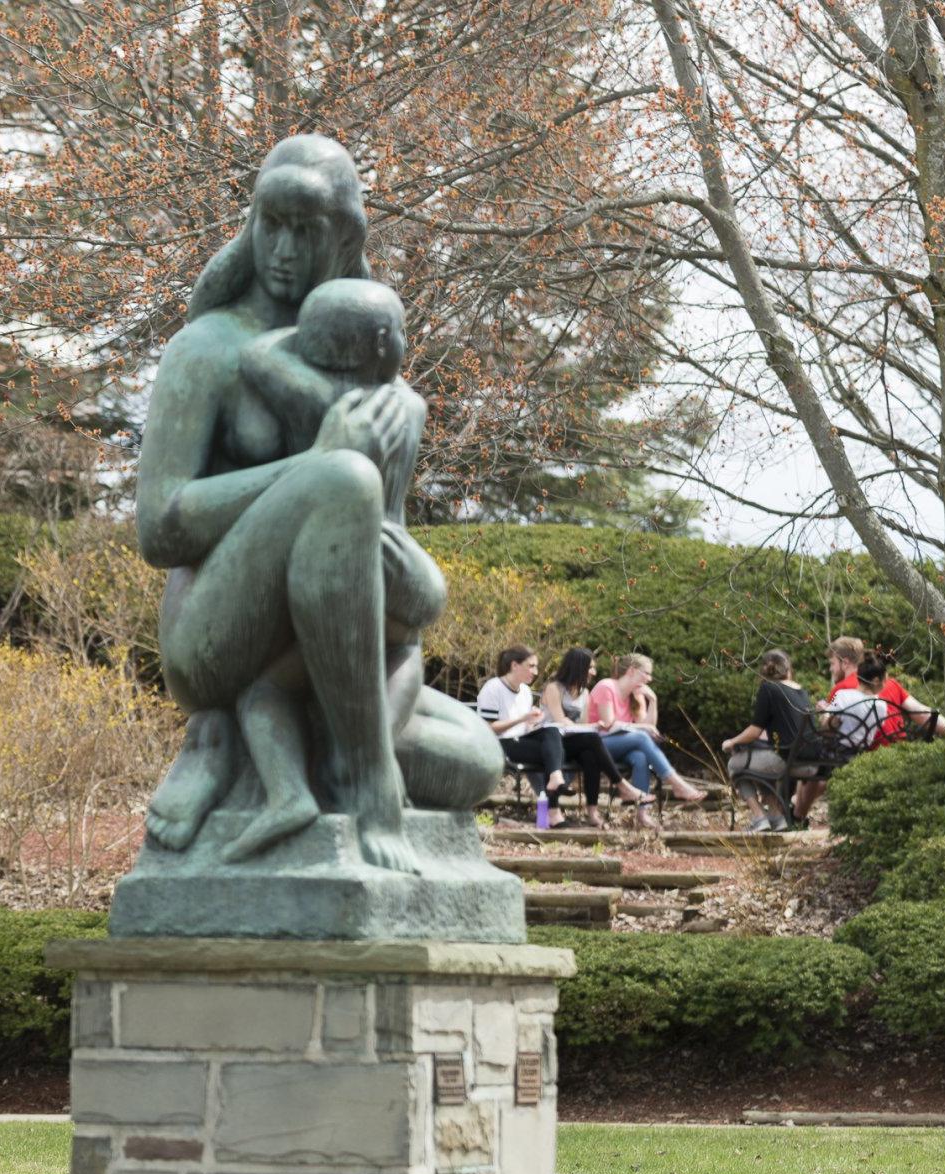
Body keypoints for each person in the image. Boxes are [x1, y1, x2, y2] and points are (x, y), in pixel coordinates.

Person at [136, 136, 498, 870]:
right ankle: (367, 785)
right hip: (216, 636)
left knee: (476, 762)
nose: (283, 250)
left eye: (306, 231)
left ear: (346, 238)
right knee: (342, 481)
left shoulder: (374, 375)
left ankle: (299, 748)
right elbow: (159, 524)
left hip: (327, 659)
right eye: (271, 224)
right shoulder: (209, 347)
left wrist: (414, 584)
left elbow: (383, 566)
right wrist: (315, 463)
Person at [585, 652, 707, 823]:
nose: (649, 679)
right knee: (641, 738)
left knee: (640, 756)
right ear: (632, 671)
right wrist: (642, 727)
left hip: (620, 747)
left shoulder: (636, 696)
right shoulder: (606, 687)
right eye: (646, 673)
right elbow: (608, 725)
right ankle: (676, 783)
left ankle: (642, 813)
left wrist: (653, 701)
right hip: (596, 745)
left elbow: (649, 728)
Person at [538, 647, 645, 828]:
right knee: (593, 739)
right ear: (578, 667)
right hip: (549, 741)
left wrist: (593, 727)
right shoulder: (553, 688)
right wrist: (591, 728)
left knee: (590, 754)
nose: (594, 672)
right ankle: (621, 785)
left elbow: (583, 726)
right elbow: (559, 721)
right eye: (590, 668)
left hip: (570, 742)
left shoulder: (584, 693)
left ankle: (592, 812)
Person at [719, 650, 824, 831]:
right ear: (788, 669)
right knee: (760, 766)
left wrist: (732, 742)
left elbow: (755, 730)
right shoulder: (801, 691)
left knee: (735, 765)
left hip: (788, 761)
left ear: (764, 671)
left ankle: (759, 818)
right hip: (811, 762)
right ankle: (776, 817)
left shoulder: (769, 689)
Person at [476, 645, 566, 822]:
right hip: (500, 744)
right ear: (514, 665)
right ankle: (552, 811)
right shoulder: (493, 688)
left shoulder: (524, 691)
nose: (535, 671)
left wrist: (533, 722)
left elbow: (525, 727)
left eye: (536, 666)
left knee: (552, 731)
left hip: (520, 740)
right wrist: (522, 718)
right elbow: (488, 728)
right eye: (531, 666)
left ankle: (554, 784)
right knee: (552, 754)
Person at [826, 636, 945, 743]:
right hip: (899, 752)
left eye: (832, 663)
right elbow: (921, 713)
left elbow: (830, 730)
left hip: (864, 757)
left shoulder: (841, 691)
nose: (830, 669)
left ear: (845, 663)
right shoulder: (890, 683)